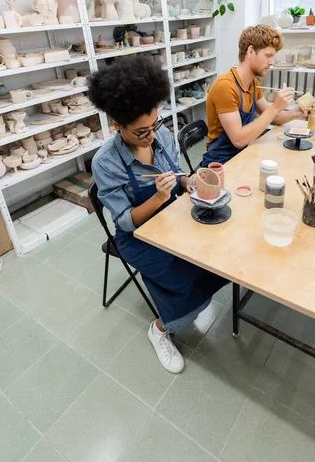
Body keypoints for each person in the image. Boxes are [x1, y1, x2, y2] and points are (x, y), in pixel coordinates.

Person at [88, 56, 228, 374]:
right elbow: (124, 220)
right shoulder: (106, 162)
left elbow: (175, 174)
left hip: (170, 215)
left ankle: (184, 307)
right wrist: (159, 197)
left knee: (217, 257)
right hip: (137, 235)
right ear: (117, 125)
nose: (151, 135)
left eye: (155, 124)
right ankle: (161, 330)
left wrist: (186, 181)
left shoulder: (161, 135)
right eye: (140, 132)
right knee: (184, 276)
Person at [201, 24, 306, 166]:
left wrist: (297, 113)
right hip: (220, 164)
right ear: (251, 52)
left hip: (243, 155)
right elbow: (238, 140)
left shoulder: (253, 83)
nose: (271, 63)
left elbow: (274, 118)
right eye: (268, 56)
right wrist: (275, 107)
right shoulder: (225, 86)